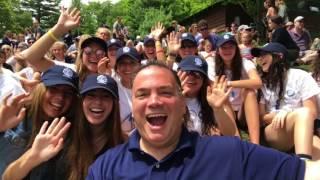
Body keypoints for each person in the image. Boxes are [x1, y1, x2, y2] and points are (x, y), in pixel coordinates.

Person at [86, 61, 320, 180]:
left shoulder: (229, 154)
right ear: (132, 107)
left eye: (166, 92)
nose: (154, 101)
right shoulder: (106, 168)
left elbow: (307, 173)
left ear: (181, 104)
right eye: (143, 94)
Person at [2, 74, 126, 180]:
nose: (98, 102)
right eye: (91, 95)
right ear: (81, 101)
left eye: (105, 96)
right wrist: (32, 157)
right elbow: (8, 177)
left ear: (114, 104)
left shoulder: (124, 144)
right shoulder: (59, 133)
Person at [0, 65, 79, 177]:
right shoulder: (14, 115)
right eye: (53, 89)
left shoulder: (67, 133)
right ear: (40, 88)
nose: (60, 97)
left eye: (68, 93)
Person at [251, 42, 320, 160]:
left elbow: (313, 112)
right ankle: (302, 163)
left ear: (279, 56)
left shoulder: (300, 76)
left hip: (303, 129)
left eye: (264, 54)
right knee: (304, 113)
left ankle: (304, 165)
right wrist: (281, 114)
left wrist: (289, 112)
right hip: (275, 132)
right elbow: (262, 117)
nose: (260, 58)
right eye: (259, 56)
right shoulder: (263, 82)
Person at [213, 34, 262, 144]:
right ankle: (237, 143)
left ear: (236, 48)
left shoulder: (245, 63)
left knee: (249, 92)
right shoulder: (212, 65)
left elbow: (257, 82)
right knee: (222, 95)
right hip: (225, 110)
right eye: (223, 47)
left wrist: (230, 83)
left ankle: (256, 145)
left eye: (231, 47)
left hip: (243, 111)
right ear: (218, 50)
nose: (227, 50)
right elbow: (213, 88)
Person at [177, 55, 237, 136]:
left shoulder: (211, 99)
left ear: (204, 80)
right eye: (186, 73)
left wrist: (218, 109)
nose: (191, 77)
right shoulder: (168, 99)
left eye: (197, 74)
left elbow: (230, 133)